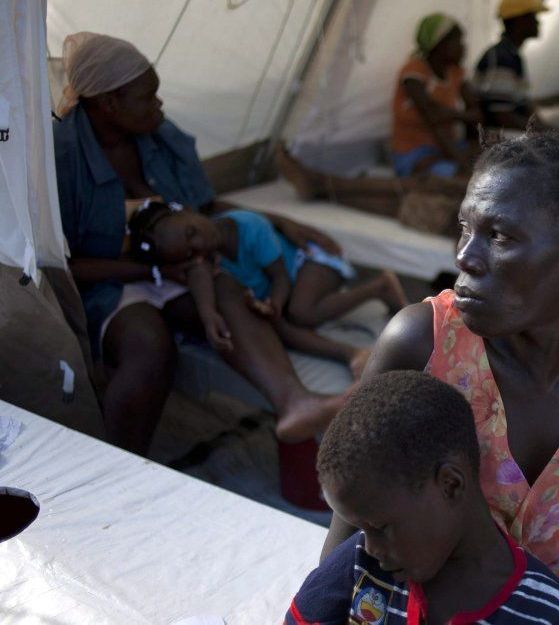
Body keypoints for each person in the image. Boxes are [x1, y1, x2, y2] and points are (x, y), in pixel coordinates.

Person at [321, 131, 559, 624]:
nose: (465, 257)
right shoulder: (422, 344)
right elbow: (345, 555)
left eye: (499, 236)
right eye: (465, 228)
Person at [53, 32, 345, 453]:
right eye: (147, 97)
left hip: (181, 271)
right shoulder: (62, 159)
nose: (159, 104)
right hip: (110, 283)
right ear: (108, 103)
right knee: (150, 346)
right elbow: (66, 266)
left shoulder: (158, 135)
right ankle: (118, 466)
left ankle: (294, 402)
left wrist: (281, 221)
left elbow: (202, 207)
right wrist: (151, 271)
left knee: (230, 291)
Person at [287, 371, 559, 624]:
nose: (372, 546)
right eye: (363, 529)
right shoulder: (361, 564)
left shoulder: (548, 614)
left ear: (451, 485)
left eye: (381, 527)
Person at [126, 203, 409, 412]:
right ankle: (352, 355)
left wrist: (275, 301)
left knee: (301, 312)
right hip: (284, 286)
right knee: (280, 326)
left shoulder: (248, 226)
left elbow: (280, 277)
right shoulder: (205, 257)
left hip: (309, 262)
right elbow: (198, 276)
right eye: (189, 253)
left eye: (191, 233)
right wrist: (210, 314)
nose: (199, 246)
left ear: (189, 210)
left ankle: (380, 286)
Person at [392, 13, 481, 178]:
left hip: (446, 147)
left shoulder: (456, 72)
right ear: (439, 45)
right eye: (458, 41)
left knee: (496, 152)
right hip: (414, 152)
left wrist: (448, 114)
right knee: (460, 177)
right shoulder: (414, 72)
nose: (463, 47)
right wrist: (463, 163)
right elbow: (433, 118)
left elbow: (476, 114)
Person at [475, 0, 550, 130]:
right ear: (520, 21)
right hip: (499, 137)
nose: (538, 22)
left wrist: (547, 128)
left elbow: (525, 106)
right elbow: (503, 117)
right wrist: (545, 132)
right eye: (533, 16)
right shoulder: (500, 58)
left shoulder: (511, 54)